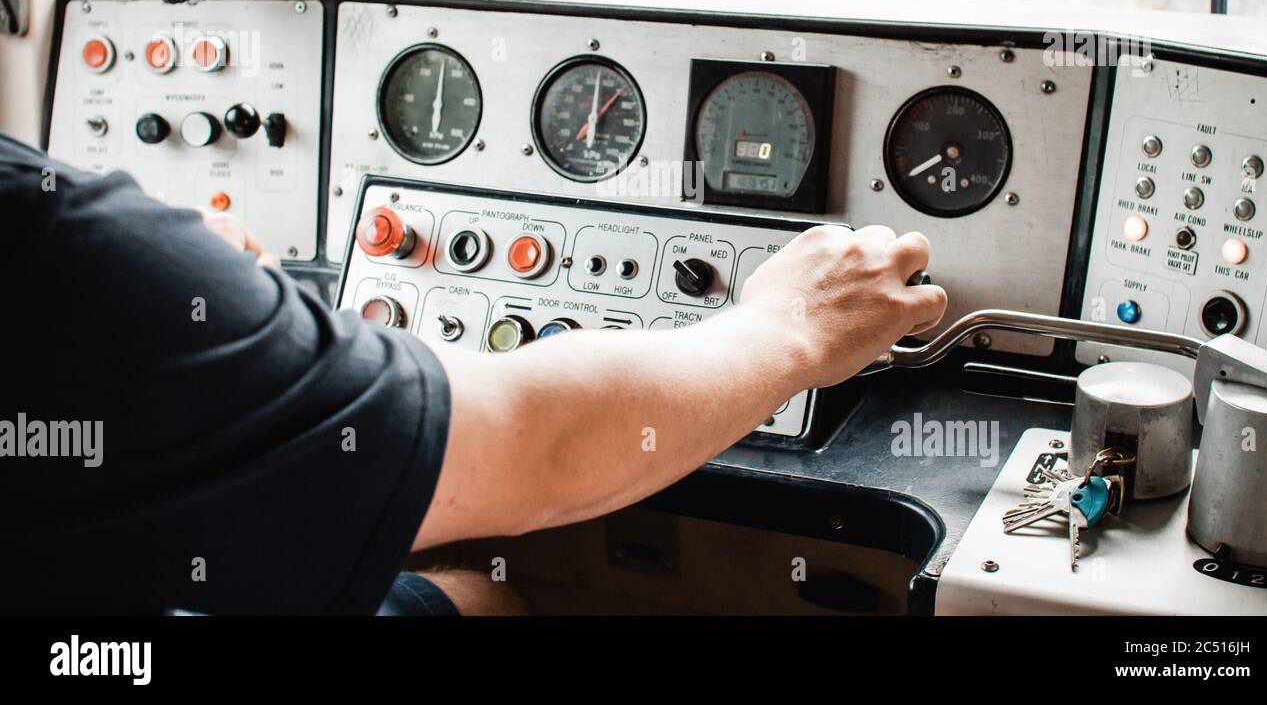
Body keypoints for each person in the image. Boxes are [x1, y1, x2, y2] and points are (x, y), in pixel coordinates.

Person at [0, 133, 946, 614]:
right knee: (487, 598)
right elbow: (540, 447)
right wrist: (790, 328)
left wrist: (163, 281)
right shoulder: (50, 239)